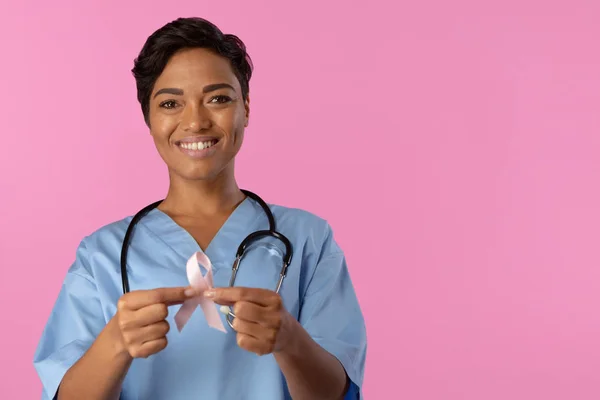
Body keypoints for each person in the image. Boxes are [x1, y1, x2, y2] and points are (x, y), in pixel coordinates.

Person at [33, 17, 367, 400]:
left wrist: (289, 340)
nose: (195, 120)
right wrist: (115, 345)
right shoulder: (101, 255)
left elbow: (338, 393)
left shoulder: (308, 239)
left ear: (246, 107)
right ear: (149, 118)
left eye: (219, 98)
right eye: (171, 103)